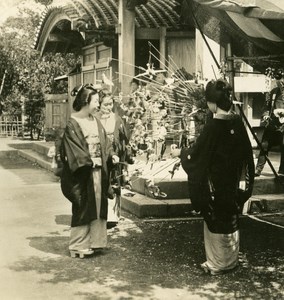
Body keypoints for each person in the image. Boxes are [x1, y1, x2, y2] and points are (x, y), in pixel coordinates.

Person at [171, 79, 255, 275]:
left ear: (213, 103)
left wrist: (182, 153)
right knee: (231, 218)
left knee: (216, 220)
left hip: (215, 184)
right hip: (234, 183)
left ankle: (217, 264)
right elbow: (247, 156)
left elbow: (197, 155)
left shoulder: (213, 126)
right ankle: (231, 261)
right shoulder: (237, 122)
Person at [59, 84, 119, 258]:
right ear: (86, 101)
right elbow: (73, 150)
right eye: (95, 101)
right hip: (84, 173)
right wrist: (89, 161)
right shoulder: (73, 122)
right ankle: (78, 245)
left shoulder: (95, 120)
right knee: (83, 206)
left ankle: (97, 242)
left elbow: (105, 143)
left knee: (99, 205)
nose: (98, 104)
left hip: (100, 171)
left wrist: (111, 155)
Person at [95, 89, 134, 228]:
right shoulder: (95, 118)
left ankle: (114, 215)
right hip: (101, 154)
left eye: (110, 104)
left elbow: (124, 138)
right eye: (105, 104)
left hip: (115, 154)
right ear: (99, 104)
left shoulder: (117, 118)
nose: (108, 107)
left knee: (115, 181)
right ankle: (101, 213)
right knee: (101, 182)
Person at [255, 71, 284, 176]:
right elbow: (266, 106)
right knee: (264, 146)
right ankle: (258, 170)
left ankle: (282, 171)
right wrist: (266, 114)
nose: (282, 83)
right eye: (280, 80)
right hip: (273, 123)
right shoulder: (273, 92)